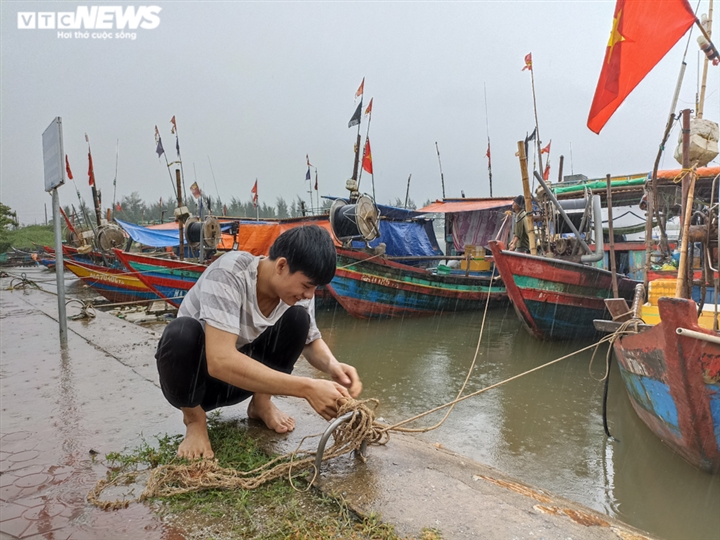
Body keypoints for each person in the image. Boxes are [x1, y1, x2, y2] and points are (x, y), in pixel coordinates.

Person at [155, 225, 362, 459]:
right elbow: (219, 361)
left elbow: (310, 342)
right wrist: (306, 388)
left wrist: (333, 366)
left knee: (298, 319)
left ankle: (261, 405)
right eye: (307, 285)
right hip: (195, 383)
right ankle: (194, 421)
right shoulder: (229, 273)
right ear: (282, 266)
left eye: (315, 288)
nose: (310, 295)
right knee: (180, 332)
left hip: (240, 382)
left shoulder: (294, 295)